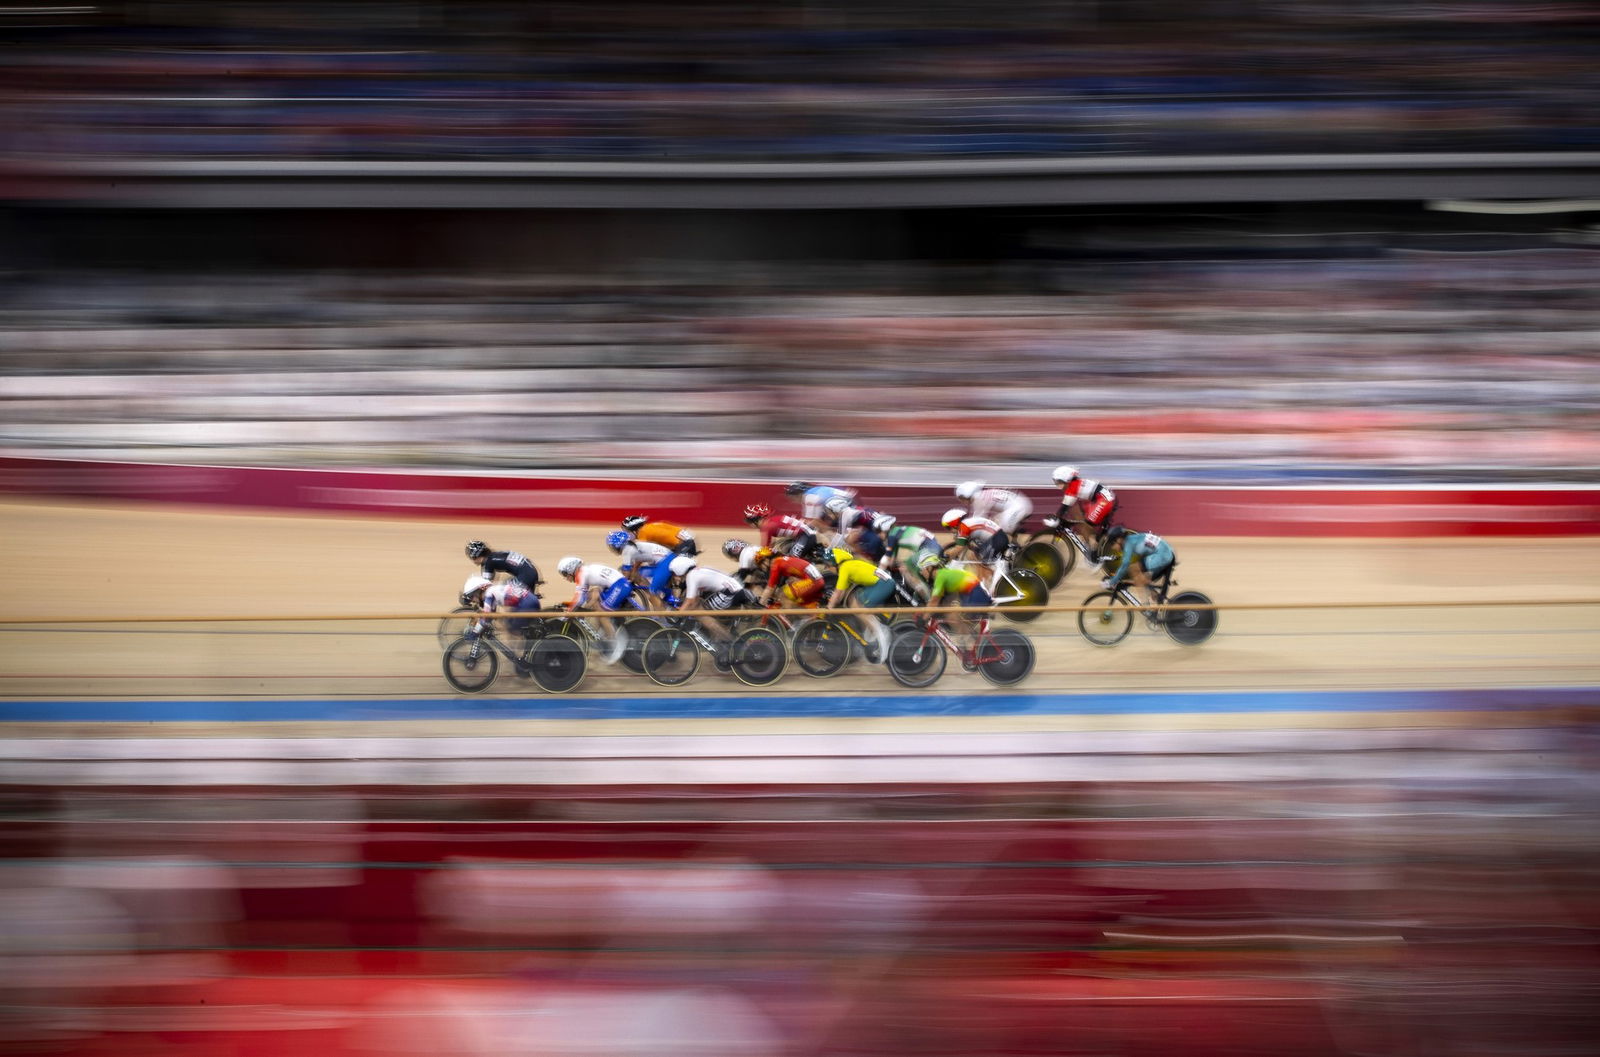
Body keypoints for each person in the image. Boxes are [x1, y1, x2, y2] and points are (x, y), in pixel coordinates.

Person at [673, 556, 758, 667]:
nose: (675, 577)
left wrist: (677, 614)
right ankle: (721, 639)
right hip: (736, 590)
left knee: (701, 615)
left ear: (679, 571)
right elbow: (695, 599)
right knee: (701, 607)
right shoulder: (698, 571)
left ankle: (729, 641)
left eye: (675, 574)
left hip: (731, 593)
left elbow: (690, 602)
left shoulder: (691, 576)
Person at [554, 555, 633, 663]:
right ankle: (602, 630)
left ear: (570, 569)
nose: (565, 578)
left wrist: (569, 612)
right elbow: (583, 597)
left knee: (602, 616)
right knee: (591, 597)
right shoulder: (584, 570)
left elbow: (579, 598)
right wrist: (577, 606)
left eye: (564, 574)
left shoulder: (581, 574)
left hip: (619, 587)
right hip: (616, 585)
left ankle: (615, 644)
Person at [918, 551, 993, 649]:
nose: (921, 572)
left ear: (929, 568)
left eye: (922, 569)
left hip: (975, 594)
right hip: (972, 593)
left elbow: (934, 601)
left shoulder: (940, 577)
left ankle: (973, 646)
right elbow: (946, 601)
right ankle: (972, 644)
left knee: (954, 618)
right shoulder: (943, 574)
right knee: (951, 615)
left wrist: (924, 618)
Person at [728, 539, 826, 609]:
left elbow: (770, 588)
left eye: (761, 563)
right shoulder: (780, 561)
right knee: (789, 592)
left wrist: (761, 603)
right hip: (815, 579)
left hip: (814, 581)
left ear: (766, 560)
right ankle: (806, 618)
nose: (762, 567)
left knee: (783, 594)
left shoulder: (776, 564)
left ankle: (794, 623)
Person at [460, 572, 542, 649]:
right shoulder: (492, 591)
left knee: (511, 629)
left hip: (526, 604)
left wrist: (475, 632)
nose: (472, 600)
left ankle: (519, 654)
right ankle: (527, 647)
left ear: (480, 590)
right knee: (509, 622)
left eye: (471, 596)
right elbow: (490, 615)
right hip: (527, 602)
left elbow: (486, 617)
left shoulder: (489, 594)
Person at [1100, 526, 1175, 606]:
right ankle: (1153, 597)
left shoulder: (1129, 544)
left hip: (1162, 555)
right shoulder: (1131, 539)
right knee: (1137, 571)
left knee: (1136, 572)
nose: (1112, 547)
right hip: (1164, 553)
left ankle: (1145, 605)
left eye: (1112, 544)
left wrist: (1112, 582)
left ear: (1119, 540)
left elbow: (1125, 565)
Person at [1050, 466, 1119, 550]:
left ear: (1067, 480)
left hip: (1105, 500)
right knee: (1086, 518)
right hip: (1104, 498)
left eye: (1059, 482)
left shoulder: (1072, 487)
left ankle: (1098, 546)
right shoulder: (1076, 483)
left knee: (1088, 523)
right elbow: (1066, 507)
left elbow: (1064, 507)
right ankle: (1099, 544)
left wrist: (1057, 517)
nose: (1058, 485)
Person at [607, 529, 677, 609]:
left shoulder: (626, 550)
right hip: (668, 558)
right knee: (639, 574)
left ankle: (662, 617)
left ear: (617, 545)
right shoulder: (633, 545)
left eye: (612, 546)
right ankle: (666, 595)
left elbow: (626, 572)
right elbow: (639, 559)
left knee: (652, 592)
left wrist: (621, 584)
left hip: (665, 562)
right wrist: (634, 571)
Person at [940, 508, 1009, 585]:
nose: (949, 530)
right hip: (997, 538)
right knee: (978, 553)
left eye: (948, 527)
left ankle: (991, 585)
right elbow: (967, 545)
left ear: (954, 524)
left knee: (983, 563)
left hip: (996, 540)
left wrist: (947, 557)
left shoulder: (963, 527)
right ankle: (996, 579)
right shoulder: (966, 523)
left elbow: (959, 548)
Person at [878, 522, 942, 601]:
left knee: (905, 568)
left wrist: (878, 571)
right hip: (932, 547)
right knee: (909, 567)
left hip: (927, 550)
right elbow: (891, 561)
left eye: (878, 532)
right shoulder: (898, 531)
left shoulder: (892, 536)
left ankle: (928, 600)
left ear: (885, 530)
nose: (878, 535)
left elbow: (886, 559)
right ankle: (926, 589)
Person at [954, 480, 1033, 536]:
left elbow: (977, 519)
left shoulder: (978, 499)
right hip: (1021, 505)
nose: (962, 501)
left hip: (1018, 508)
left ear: (967, 495)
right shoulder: (980, 495)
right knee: (995, 523)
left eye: (962, 498)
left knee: (1000, 531)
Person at [744, 503, 820, 559]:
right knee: (785, 549)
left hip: (806, 536)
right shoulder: (771, 521)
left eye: (749, 522)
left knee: (790, 561)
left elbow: (764, 548)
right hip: (806, 533)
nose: (750, 525)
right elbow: (772, 544)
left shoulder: (766, 527)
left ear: (755, 521)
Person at [464, 539, 541, 592]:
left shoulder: (489, 562)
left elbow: (485, 585)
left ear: (476, 556)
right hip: (529, 572)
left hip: (526, 575)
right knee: (503, 586)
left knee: (503, 593)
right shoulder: (492, 557)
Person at [620, 515, 698, 556]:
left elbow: (642, 554)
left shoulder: (642, 533)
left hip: (683, 546)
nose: (627, 534)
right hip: (687, 542)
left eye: (627, 531)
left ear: (634, 529)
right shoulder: (650, 526)